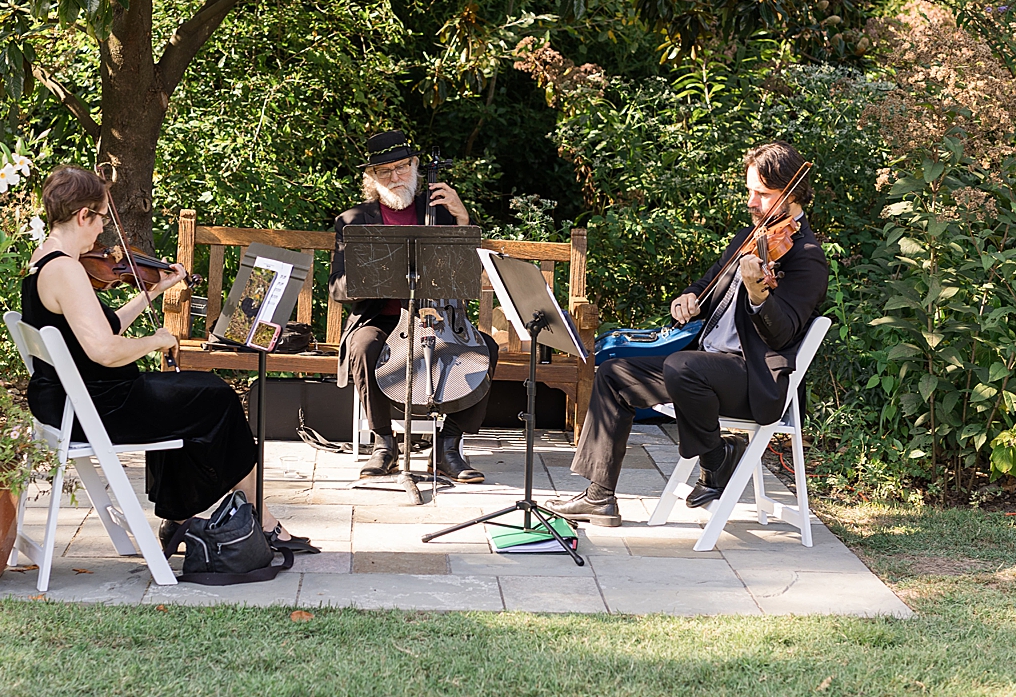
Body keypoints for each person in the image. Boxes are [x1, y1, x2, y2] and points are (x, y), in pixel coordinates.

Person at [22, 165, 313, 552]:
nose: (101, 232)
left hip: (73, 400)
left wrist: (154, 290)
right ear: (83, 215)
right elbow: (105, 350)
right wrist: (155, 340)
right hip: (98, 405)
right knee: (216, 398)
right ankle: (259, 517)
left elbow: (102, 326)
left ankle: (179, 518)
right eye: (101, 219)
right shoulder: (66, 269)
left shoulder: (43, 260)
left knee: (192, 393)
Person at [549, 141, 829, 527]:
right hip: (704, 368)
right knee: (613, 373)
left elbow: (781, 335)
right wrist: (688, 297)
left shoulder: (806, 257)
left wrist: (758, 293)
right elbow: (705, 283)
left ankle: (715, 460)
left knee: (682, 365)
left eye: (762, 194)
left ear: (792, 193)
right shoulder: (750, 239)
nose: (751, 201)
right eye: (749, 191)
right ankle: (600, 498)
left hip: (751, 377)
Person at [328, 130, 498, 482]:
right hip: (383, 317)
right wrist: (372, 279)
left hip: (439, 319)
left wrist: (463, 220)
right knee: (364, 346)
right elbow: (337, 287)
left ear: (415, 167)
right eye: (385, 171)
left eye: (402, 167)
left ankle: (448, 447)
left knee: (487, 348)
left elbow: (469, 273)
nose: (395, 177)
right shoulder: (353, 221)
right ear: (372, 178)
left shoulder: (441, 211)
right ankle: (384, 445)